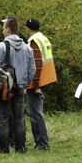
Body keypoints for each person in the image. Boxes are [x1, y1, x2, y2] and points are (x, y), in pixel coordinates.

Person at [0, 17, 36, 154]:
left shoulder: (2, 46)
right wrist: (25, 83)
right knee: (20, 119)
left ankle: (3, 149)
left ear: (8, 30)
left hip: (4, 88)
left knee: (3, 118)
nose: (3, 32)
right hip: (20, 87)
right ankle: (20, 147)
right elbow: (32, 69)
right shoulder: (27, 48)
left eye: (4, 29)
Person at [23, 19, 57, 150]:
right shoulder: (43, 38)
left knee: (36, 113)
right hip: (45, 79)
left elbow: (36, 63)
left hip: (37, 82)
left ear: (28, 29)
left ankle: (42, 143)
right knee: (37, 112)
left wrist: (35, 85)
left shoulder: (34, 41)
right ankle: (41, 143)